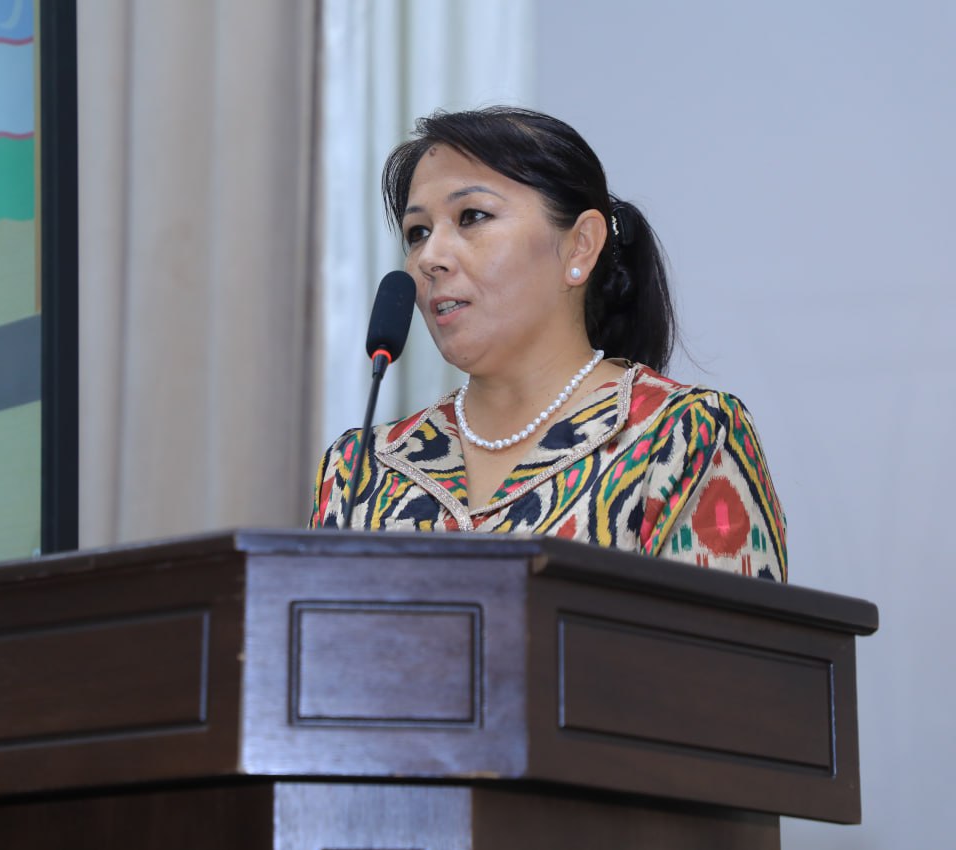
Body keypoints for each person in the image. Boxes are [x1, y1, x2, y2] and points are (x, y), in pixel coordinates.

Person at [309, 107, 786, 583]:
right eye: (418, 232)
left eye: (472, 216)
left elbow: (730, 632)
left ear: (580, 246)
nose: (429, 257)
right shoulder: (359, 469)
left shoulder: (681, 436)